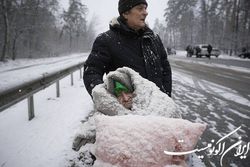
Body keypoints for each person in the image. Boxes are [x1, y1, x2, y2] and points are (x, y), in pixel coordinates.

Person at [83, 0, 172, 98]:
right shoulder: (106, 40)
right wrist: (109, 100)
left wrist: (165, 96)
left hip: (157, 108)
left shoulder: (154, 39)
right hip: (127, 111)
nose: (146, 12)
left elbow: (165, 70)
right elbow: (91, 72)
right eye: (140, 8)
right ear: (125, 13)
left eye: (145, 8)